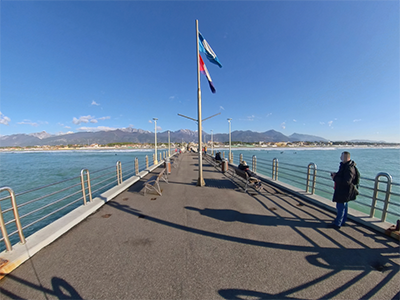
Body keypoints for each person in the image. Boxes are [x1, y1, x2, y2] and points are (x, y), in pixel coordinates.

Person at [329, 151, 358, 229]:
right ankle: (342, 221)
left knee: (340, 206)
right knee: (344, 206)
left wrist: (335, 178)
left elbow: (347, 181)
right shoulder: (345, 165)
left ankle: (338, 223)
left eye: (342, 156)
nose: (341, 158)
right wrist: (336, 175)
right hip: (343, 190)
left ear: (346, 157)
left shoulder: (349, 168)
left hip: (344, 191)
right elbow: (343, 176)